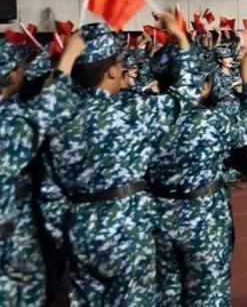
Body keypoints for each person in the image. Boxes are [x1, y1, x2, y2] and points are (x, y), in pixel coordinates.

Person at [48, 15, 196, 305]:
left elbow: (48, 192)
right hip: (126, 230)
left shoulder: (57, 116)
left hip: (79, 230)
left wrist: (63, 232)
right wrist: (182, 40)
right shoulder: (133, 110)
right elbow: (184, 97)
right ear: (111, 72)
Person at [148, 50, 247, 305]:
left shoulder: (142, 118)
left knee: (164, 295)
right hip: (203, 219)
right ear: (201, 85)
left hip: (156, 216)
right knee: (208, 295)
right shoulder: (209, 120)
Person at [0, 35, 83, 306]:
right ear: (10, 74)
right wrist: (68, 59)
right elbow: (48, 110)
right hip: (10, 240)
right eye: (19, 65)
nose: (24, 70)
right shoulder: (10, 121)